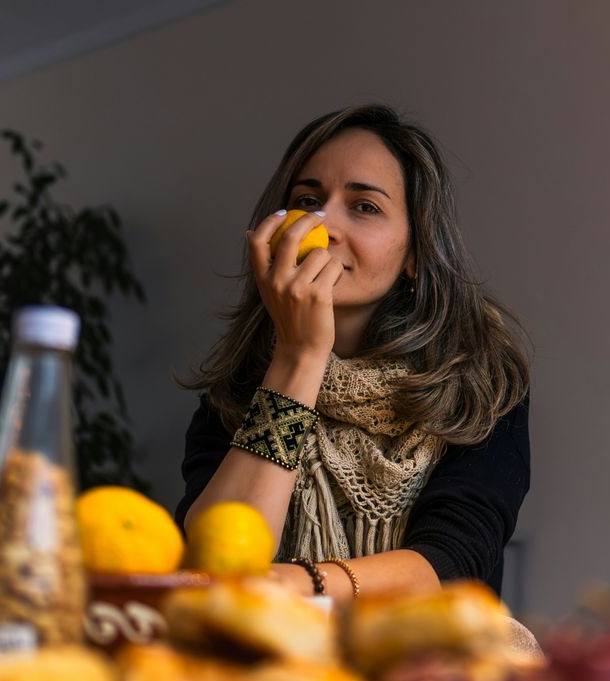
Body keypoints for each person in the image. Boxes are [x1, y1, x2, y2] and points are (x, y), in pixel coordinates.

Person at [176, 104, 530, 601]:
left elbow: (454, 561)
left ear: (414, 255)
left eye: (364, 206)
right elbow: (217, 562)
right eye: (307, 200)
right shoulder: (236, 393)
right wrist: (297, 359)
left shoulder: (479, 383)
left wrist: (304, 584)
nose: (324, 227)